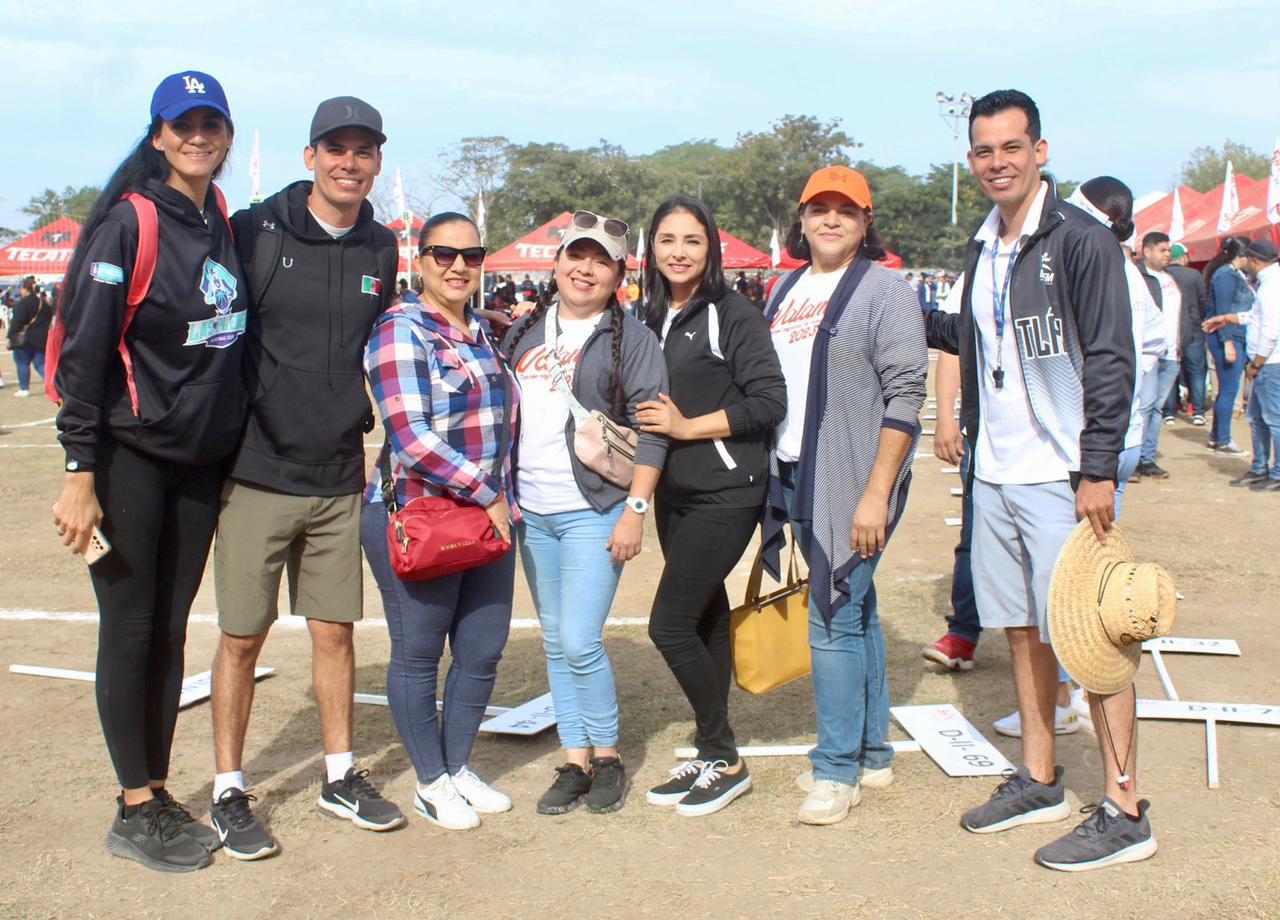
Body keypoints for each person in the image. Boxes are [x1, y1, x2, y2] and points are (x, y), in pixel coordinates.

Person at [924, 90, 1150, 872]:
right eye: (983, 152)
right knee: (1021, 629)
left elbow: (1113, 358)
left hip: (1061, 474)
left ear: (1040, 150)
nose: (997, 164)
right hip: (996, 473)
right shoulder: (982, 244)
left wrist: (1096, 467)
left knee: (1094, 641)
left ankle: (1125, 807)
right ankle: (1043, 778)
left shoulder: (1081, 241)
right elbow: (968, 336)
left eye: (1010, 148)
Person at [49, 70, 247, 872]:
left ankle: (154, 788)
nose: (199, 137)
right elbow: (85, 358)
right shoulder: (131, 225)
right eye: (184, 125)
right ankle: (133, 805)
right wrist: (78, 473)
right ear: (159, 135)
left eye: (212, 124)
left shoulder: (219, 218)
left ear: (226, 136)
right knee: (130, 632)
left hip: (198, 466)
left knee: (169, 631)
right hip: (131, 459)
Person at [207, 96, 404, 859]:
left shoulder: (382, 247)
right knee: (241, 640)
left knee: (334, 633)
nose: (349, 163)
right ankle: (229, 788)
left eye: (364, 150)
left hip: (336, 475)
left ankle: (340, 775)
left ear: (377, 162)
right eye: (336, 149)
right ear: (309, 156)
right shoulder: (254, 230)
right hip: (256, 472)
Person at [765, 166, 927, 825]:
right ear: (802, 220)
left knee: (831, 613)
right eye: (819, 208)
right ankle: (872, 749)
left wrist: (875, 495)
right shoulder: (785, 287)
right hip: (795, 471)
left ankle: (837, 772)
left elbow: (907, 395)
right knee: (856, 608)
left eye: (846, 210)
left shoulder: (886, 290)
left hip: (855, 480)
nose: (831, 219)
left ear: (865, 222)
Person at [501, 210, 667, 816]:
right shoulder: (522, 331)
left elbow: (654, 432)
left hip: (594, 510)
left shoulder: (633, 337)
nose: (586, 269)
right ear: (557, 262)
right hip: (532, 511)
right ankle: (573, 759)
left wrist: (636, 511)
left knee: (579, 639)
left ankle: (609, 757)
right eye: (577, 255)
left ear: (618, 273)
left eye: (601, 260)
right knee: (553, 640)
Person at [362, 211, 519, 830]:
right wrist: (489, 494)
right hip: (425, 515)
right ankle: (430, 781)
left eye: (472, 255)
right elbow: (409, 436)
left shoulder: (482, 330)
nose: (458, 266)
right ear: (419, 261)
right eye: (443, 255)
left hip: (488, 515)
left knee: (482, 650)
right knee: (419, 654)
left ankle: (456, 768)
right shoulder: (400, 330)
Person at [634, 196, 786, 816]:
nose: (678, 252)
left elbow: (769, 401)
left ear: (711, 249)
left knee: (667, 626)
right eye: (667, 240)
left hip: (727, 493)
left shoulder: (732, 313)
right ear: (651, 249)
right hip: (675, 492)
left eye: (692, 241)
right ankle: (712, 752)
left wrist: (688, 428)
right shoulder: (646, 315)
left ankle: (723, 754)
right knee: (704, 619)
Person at [1204, 238, 1280, 491]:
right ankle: (1260, 468)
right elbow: (1256, 317)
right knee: (1257, 417)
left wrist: (1257, 363)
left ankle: (1277, 472)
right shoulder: (1267, 284)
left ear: (1256, 260)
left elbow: (1270, 329)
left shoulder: (1271, 287)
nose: (1245, 262)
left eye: (1248, 258)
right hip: (1265, 361)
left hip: (1270, 361)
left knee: (1273, 419)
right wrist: (1228, 317)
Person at [1134, 232, 1181, 479]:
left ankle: (1147, 459)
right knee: (1144, 407)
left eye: (1168, 250)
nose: (1167, 255)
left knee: (1157, 409)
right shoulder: (1138, 278)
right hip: (1149, 353)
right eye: (1163, 250)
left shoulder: (1172, 279)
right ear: (1147, 251)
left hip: (1172, 353)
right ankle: (1132, 459)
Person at [1203, 236, 1254, 454]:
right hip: (1228, 335)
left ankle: (1217, 436)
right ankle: (1223, 439)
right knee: (1229, 389)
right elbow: (1223, 311)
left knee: (1227, 389)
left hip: (1234, 334)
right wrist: (1228, 343)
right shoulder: (1226, 275)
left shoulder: (1235, 274)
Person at [1164, 243, 1208, 426]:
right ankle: (1198, 411)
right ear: (1182, 257)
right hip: (1193, 327)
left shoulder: (1163, 276)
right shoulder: (1194, 275)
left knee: (1169, 369)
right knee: (1196, 370)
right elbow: (1203, 301)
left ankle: (1169, 412)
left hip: (1169, 328)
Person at [7, 277, 50, 396]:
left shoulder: (23, 303)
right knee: (41, 363)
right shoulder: (44, 303)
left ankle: (24, 389)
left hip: (24, 339)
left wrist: (11, 336)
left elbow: (16, 321)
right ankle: (53, 384)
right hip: (42, 338)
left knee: (22, 363)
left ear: (25, 289)